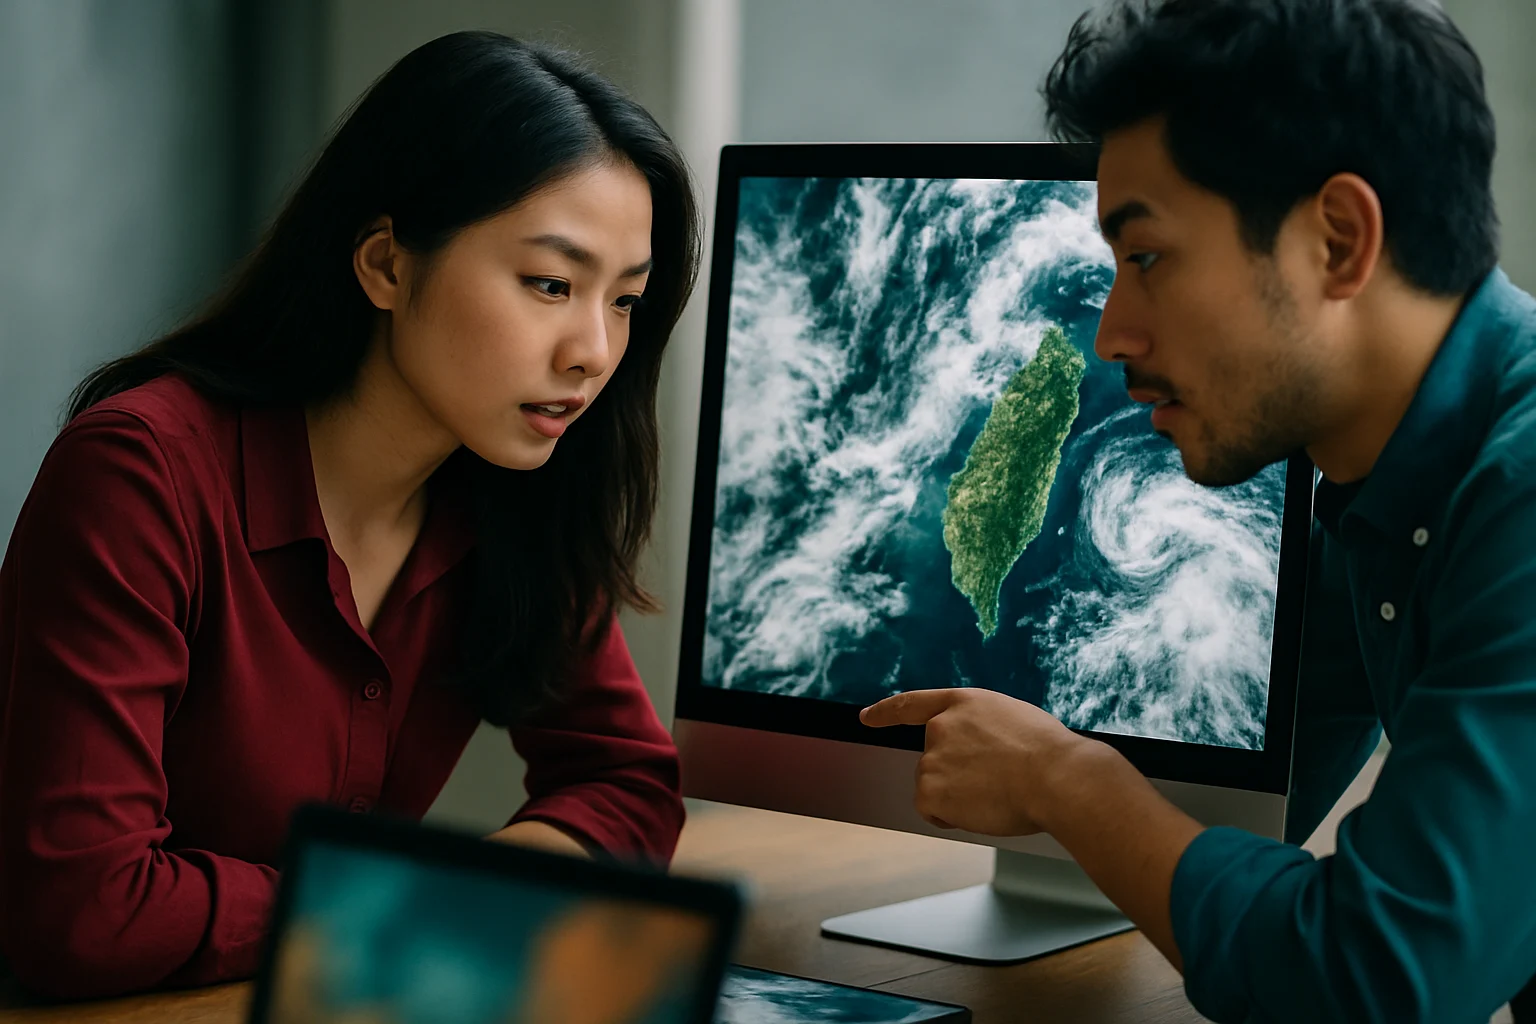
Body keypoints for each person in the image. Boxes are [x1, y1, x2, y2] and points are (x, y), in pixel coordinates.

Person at [861, 0, 1536, 1021]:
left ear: (1338, 239)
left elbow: (1377, 978)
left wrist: (1068, 781)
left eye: (1147, 259)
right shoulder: (1388, 485)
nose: (1111, 334)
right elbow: (1233, 813)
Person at [0, 31, 698, 999]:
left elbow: (625, 782)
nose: (593, 349)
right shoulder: (140, 476)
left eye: (626, 300)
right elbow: (84, 908)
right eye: (550, 284)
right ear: (384, 265)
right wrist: (403, 899)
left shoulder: (517, 486)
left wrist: (447, 897)